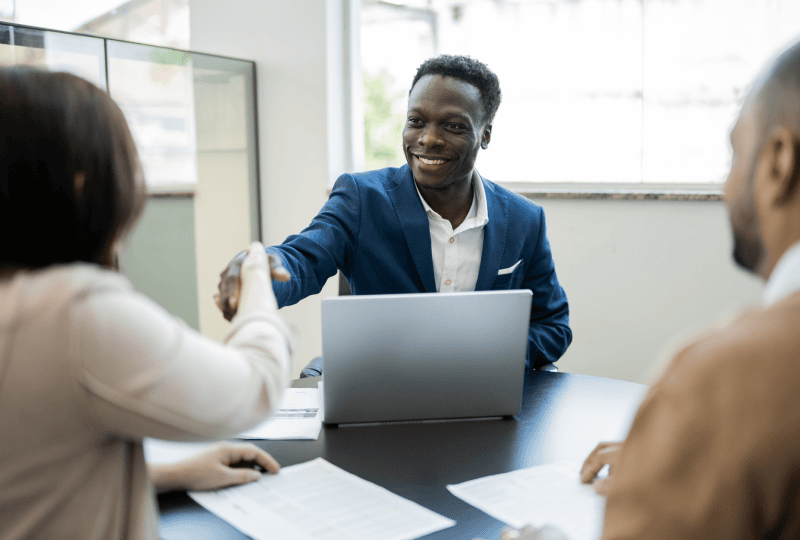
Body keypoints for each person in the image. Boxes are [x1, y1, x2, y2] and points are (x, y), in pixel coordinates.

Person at [509, 39, 800, 539]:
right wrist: (690, 461)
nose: (727, 186)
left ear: (777, 162)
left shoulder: (721, 383)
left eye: (734, 154)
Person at [0, 67, 291, 540]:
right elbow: (255, 387)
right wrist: (257, 274)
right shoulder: (73, 311)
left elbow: (26, 473)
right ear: (80, 182)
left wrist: (166, 475)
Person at [220, 55, 572, 370]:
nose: (429, 139)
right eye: (417, 121)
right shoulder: (362, 198)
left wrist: (488, 355)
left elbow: (553, 325)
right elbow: (302, 259)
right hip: (379, 391)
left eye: (453, 126)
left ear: (486, 134)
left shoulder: (524, 219)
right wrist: (257, 272)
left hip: (482, 398)